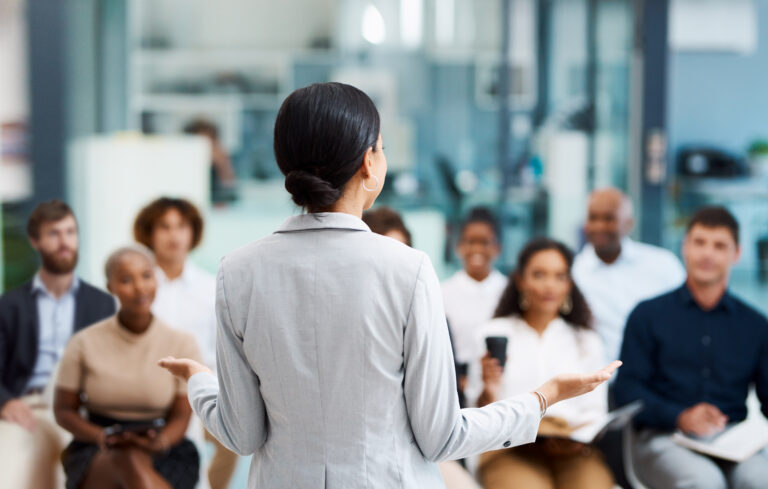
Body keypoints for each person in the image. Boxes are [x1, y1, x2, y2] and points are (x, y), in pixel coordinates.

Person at [157, 82, 619, 488]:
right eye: (380, 146)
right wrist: (545, 396)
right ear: (367, 163)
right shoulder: (409, 270)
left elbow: (242, 435)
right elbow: (443, 436)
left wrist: (200, 380)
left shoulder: (237, 271)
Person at [614, 206, 768, 489]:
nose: (707, 254)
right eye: (699, 242)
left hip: (731, 439)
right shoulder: (647, 315)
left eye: (719, 245)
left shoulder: (756, 325)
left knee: (761, 479)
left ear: (737, 254)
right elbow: (626, 391)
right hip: (662, 436)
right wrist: (679, 416)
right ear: (684, 247)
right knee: (704, 482)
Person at [467, 238, 613, 489]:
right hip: (508, 447)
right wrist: (488, 390)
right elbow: (474, 414)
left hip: (572, 448)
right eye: (539, 275)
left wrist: (578, 437)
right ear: (521, 280)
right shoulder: (492, 333)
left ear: (569, 284)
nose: (549, 286)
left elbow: (595, 410)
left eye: (559, 276)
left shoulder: (586, 340)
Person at [53, 245, 203, 489]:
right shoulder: (84, 343)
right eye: (125, 279)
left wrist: (161, 442)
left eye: (146, 276)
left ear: (156, 279)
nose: (139, 287)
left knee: (133, 460)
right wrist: (101, 436)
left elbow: (181, 415)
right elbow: (63, 410)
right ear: (110, 286)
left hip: (163, 448)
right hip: (96, 446)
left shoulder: (182, 343)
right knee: (127, 458)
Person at [0, 200, 115, 489]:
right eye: (54, 234)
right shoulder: (11, 305)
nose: (65, 242)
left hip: (82, 410)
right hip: (29, 408)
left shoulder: (102, 304)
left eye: (70, 232)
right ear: (35, 241)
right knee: (12, 471)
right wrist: (6, 401)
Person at [364, 206, 479, 489]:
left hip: (427, 448)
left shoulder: (433, 317)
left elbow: (447, 408)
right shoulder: (351, 320)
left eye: (403, 254)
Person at [133, 196, 239, 489]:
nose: (174, 235)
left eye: (181, 226)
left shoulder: (210, 288)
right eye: (164, 227)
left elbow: (221, 352)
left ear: (192, 232)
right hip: (148, 398)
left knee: (231, 442)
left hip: (199, 395)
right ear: (150, 234)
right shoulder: (136, 287)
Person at [572, 187, 685, 363]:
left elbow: (685, 317)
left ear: (629, 223)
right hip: (599, 383)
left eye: (609, 218)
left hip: (658, 379)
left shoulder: (663, 265)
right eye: (593, 218)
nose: (599, 226)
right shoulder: (573, 273)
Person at [442, 207, 507, 365]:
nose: (477, 249)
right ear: (459, 247)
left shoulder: (509, 290)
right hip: (457, 381)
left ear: (498, 248)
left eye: (485, 242)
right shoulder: (442, 292)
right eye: (470, 242)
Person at [184, 119, 238, 205]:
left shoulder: (220, 158)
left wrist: (222, 164)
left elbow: (230, 188)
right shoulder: (183, 166)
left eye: (210, 143)